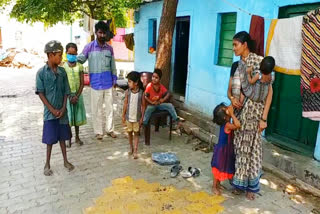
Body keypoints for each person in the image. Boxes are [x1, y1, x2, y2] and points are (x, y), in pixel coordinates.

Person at [229, 31, 273, 200]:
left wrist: (264, 118)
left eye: (235, 44)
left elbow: (269, 92)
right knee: (240, 149)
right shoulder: (239, 65)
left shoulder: (260, 62)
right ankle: (239, 183)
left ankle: (251, 187)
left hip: (256, 115)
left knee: (253, 150)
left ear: (245, 44)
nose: (233, 48)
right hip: (241, 114)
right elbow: (236, 89)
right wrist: (233, 99)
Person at [35, 40, 75, 176]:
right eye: (59, 55)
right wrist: (52, 109)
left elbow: (66, 91)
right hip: (50, 113)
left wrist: (64, 107)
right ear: (51, 55)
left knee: (63, 137)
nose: (61, 58)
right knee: (50, 140)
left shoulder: (63, 72)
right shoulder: (41, 73)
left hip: (62, 112)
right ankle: (47, 163)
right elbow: (40, 93)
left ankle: (65, 160)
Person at [77, 21, 117, 140]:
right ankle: (99, 132)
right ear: (96, 33)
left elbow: (113, 65)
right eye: (100, 33)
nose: (102, 35)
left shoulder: (110, 49)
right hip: (95, 84)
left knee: (110, 109)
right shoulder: (89, 47)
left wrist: (114, 79)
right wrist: (70, 57)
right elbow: (81, 59)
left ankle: (110, 130)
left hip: (108, 83)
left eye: (104, 33)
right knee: (96, 109)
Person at [211, 103, 240, 195]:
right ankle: (214, 186)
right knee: (218, 169)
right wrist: (232, 114)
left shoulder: (225, 123)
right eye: (226, 110)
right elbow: (238, 125)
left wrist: (232, 105)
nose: (228, 109)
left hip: (225, 150)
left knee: (222, 166)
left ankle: (218, 185)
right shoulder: (227, 125)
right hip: (222, 151)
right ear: (225, 117)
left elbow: (231, 107)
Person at [142, 69, 181, 133]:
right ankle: (144, 123)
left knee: (170, 105)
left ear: (159, 79)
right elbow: (145, 97)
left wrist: (163, 100)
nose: (154, 79)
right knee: (148, 109)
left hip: (159, 104)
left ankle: (176, 120)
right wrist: (152, 102)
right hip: (151, 105)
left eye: (156, 78)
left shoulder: (161, 86)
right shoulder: (149, 86)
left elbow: (168, 93)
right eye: (153, 77)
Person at [63, 43, 87, 147]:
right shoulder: (63, 67)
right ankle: (69, 138)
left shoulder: (80, 66)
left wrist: (76, 96)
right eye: (69, 53)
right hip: (67, 96)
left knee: (77, 117)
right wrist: (69, 96)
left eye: (74, 53)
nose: (71, 55)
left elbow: (82, 83)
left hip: (78, 96)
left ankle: (77, 137)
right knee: (68, 118)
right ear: (66, 53)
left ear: (77, 53)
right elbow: (63, 84)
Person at [122, 71, 146, 159]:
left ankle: (135, 150)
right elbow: (125, 104)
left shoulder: (141, 93)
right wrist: (123, 116)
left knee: (136, 134)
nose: (128, 83)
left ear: (136, 83)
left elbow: (143, 106)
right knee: (129, 133)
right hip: (129, 117)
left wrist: (142, 117)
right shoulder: (127, 92)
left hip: (137, 118)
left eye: (130, 81)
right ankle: (131, 148)